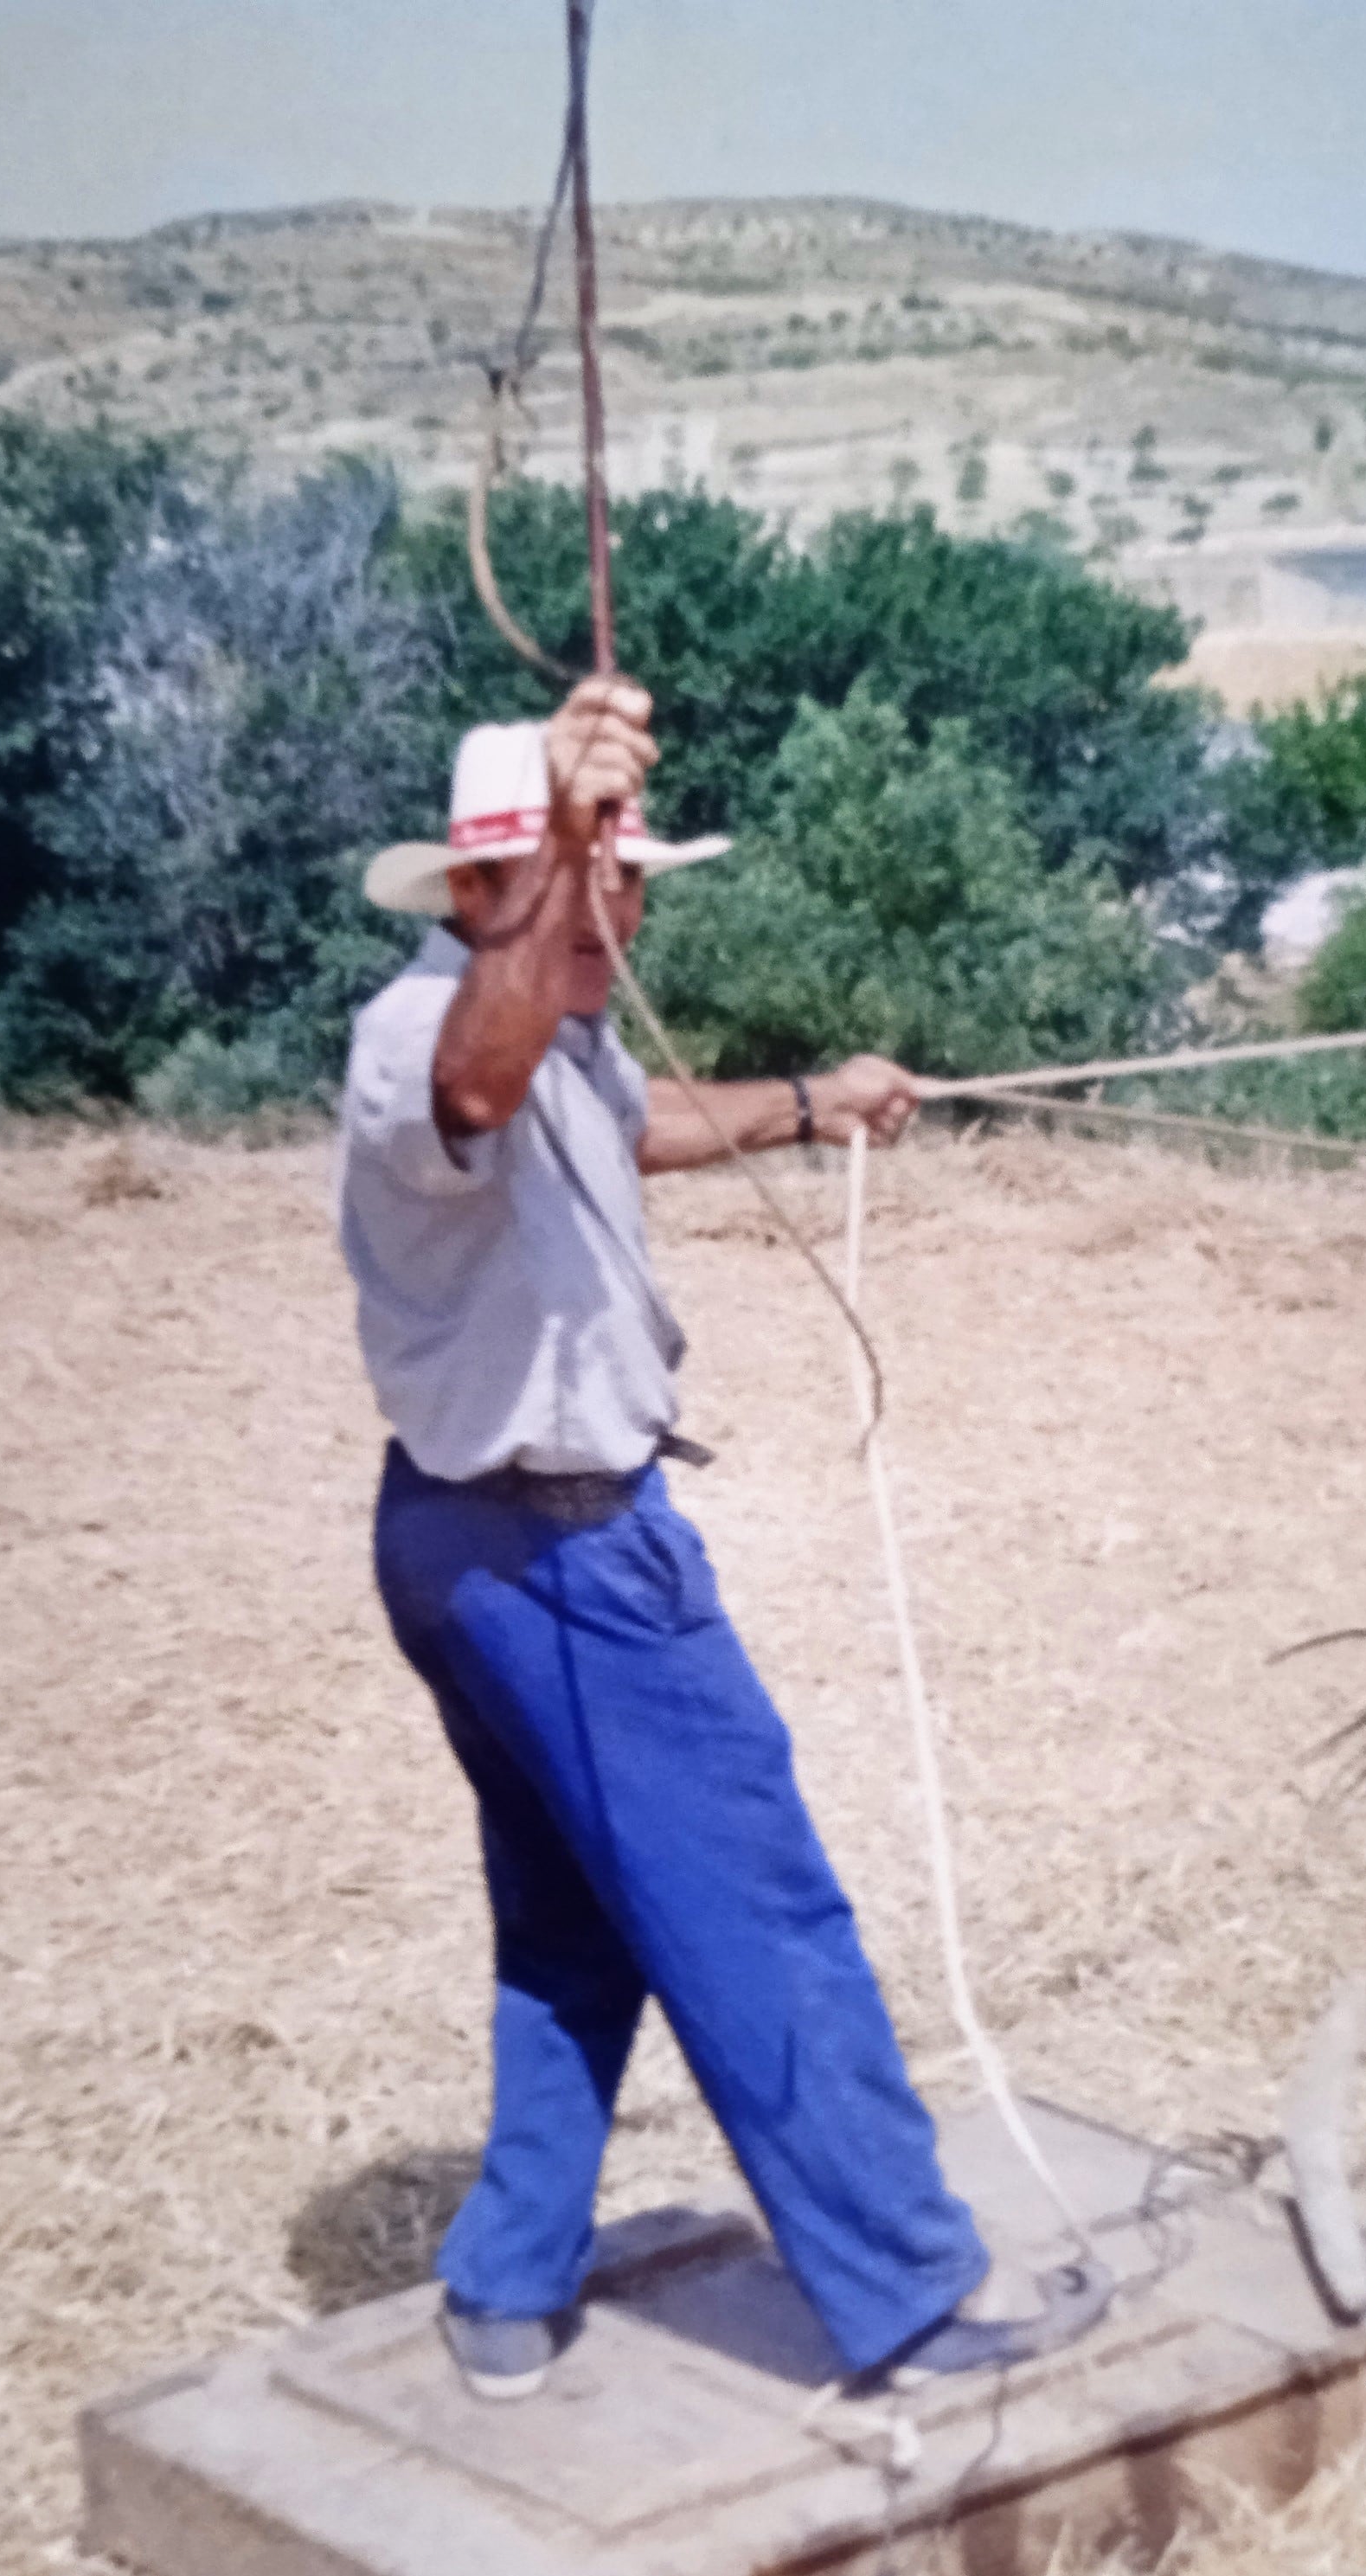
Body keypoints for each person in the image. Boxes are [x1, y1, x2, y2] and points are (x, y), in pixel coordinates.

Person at [339, 675, 1109, 2401]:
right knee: (759, 1906)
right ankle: (909, 2303)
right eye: (599, 881)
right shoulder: (428, 1037)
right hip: (557, 1554)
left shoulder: (564, 1027)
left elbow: (616, 1119)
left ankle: (505, 2280)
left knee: (574, 1926)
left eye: (628, 878)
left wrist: (810, 1098)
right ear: (480, 891)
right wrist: (557, 832)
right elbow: (482, 1072)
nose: (633, 909)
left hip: (469, 1545)